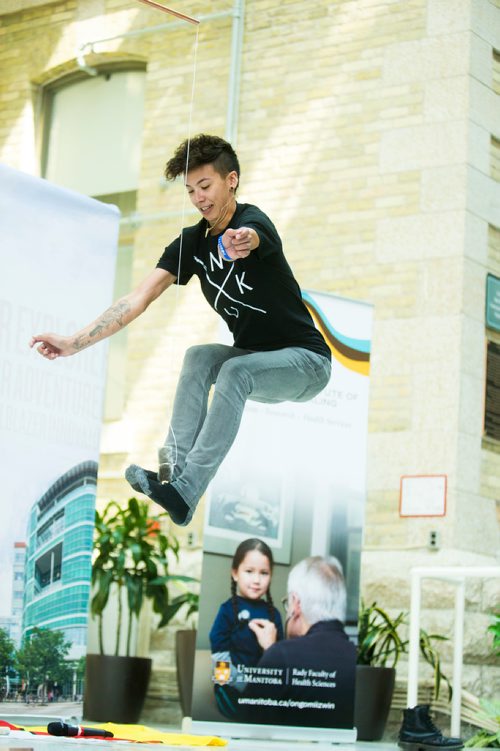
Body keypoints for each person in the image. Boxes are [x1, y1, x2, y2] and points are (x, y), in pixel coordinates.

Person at [30, 134, 332, 527]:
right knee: (200, 357)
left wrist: (243, 241)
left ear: (232, 180)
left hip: (307, 363)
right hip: (258, 359)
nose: (198, 198)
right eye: (190, 191)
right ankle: (172, 476)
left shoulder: (253, 221)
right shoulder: (190, 243)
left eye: (205, 186)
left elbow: (255, 236)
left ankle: (188, 490)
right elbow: (138, 297)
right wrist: (74, 342)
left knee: (234, 371)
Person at [239, 555, 356, 728]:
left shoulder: (280, 656)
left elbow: (246, 723)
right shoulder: (357, 657)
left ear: (296, 603)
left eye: (287, 603)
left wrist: (273, 654)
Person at [210, 538, 283, 674]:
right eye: (249, 571)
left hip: (263, 688)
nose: (256, 580)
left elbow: (279, 664)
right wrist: (241, 685)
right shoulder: (227, 610)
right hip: (230, 688)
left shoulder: (275, 615)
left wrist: (271, 648)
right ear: (235, 573)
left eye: (264, 573)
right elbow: (219, 656)